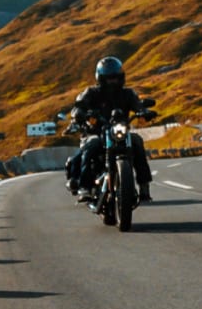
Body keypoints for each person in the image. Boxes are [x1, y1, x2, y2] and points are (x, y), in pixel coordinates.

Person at [65, 56, 154, 205]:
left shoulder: (127, 94)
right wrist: (80, 114)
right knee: (91, 146)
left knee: (137, 141)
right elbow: (78, 107)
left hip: (120, 132)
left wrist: (144, 112)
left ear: (121, 77)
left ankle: (144, 186)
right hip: (96, 132)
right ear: (100, 78)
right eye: (109, 78)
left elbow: (138, 104)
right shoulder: (91, 93)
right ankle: (85, 187)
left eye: (116, 78)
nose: (113, 82)